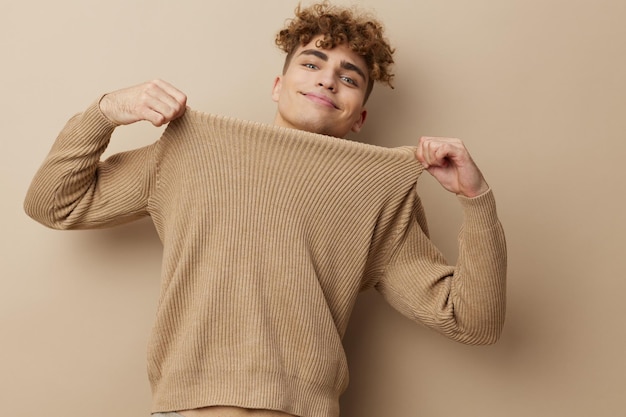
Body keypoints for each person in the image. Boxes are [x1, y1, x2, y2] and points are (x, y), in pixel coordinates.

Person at [24, 2, 506, 417]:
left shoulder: (378, 189)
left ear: (360, 116)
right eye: (313, 63)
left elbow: (472, 322)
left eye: (349, 76)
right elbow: (53, 204)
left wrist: (476, 202)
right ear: (278, 85)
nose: (328, 80)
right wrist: (106, 110)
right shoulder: (193, 149)